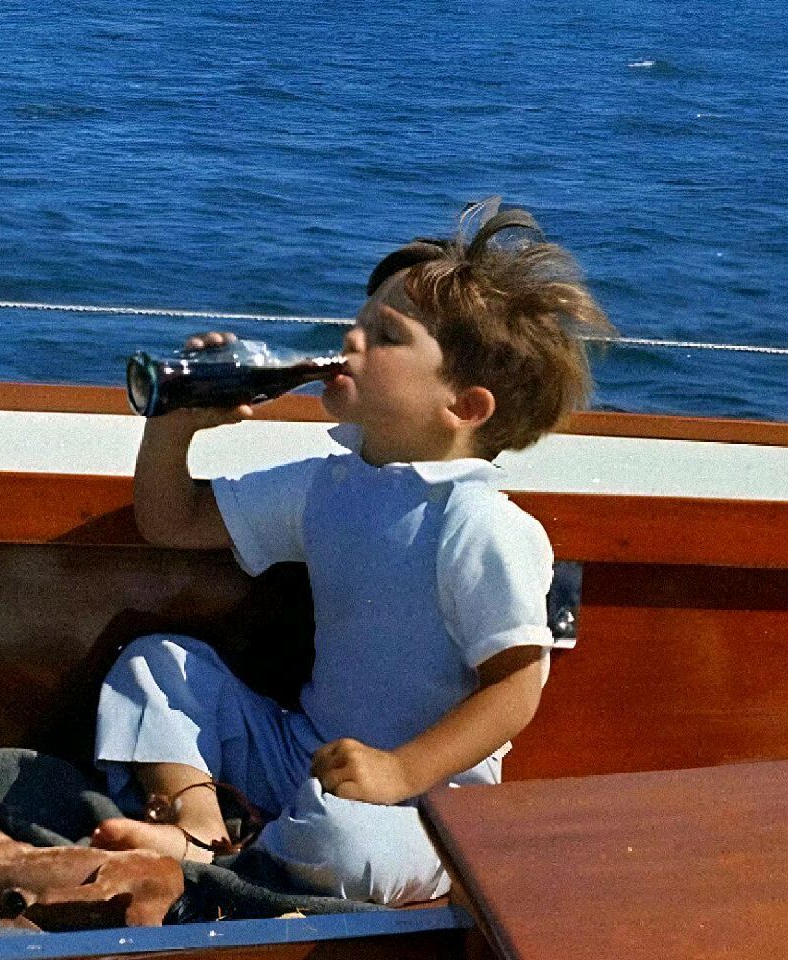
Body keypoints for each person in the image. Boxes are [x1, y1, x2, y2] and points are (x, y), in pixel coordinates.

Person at [90, 201, 614, 904]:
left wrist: (400, 772)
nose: (350, 339)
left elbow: (517, 687)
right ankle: (201, 828)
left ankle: (236, 853)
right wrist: (174, 425)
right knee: (156, 663)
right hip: (306, 754)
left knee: (344, 843)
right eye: (360, 321)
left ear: (464, 407)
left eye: (386, 335)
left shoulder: (479, 522)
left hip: (427, 799)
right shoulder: (328, 483)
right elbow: (171, 521)